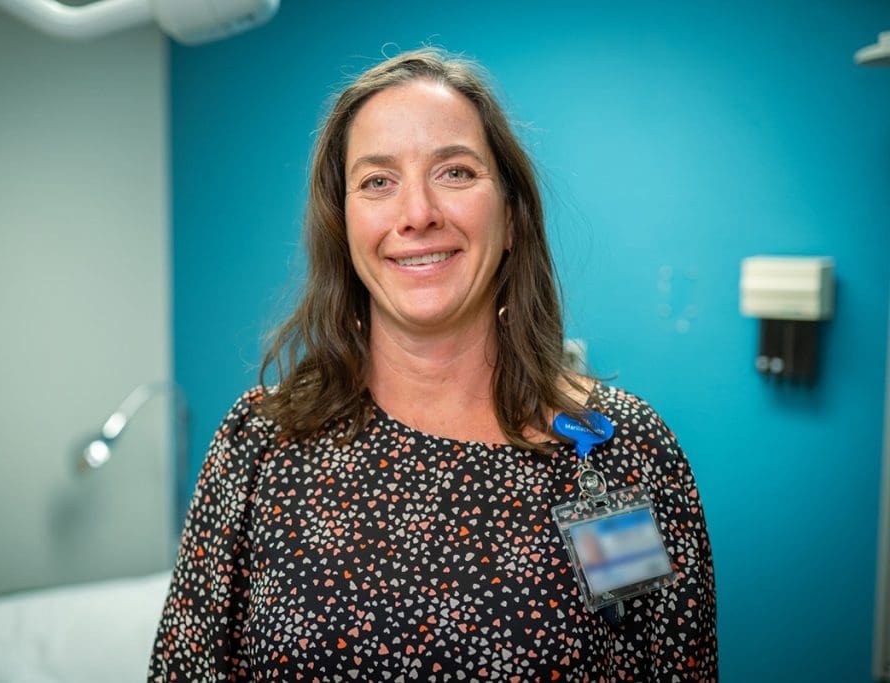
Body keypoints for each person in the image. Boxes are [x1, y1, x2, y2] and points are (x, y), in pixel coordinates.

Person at [149, 48, 717, 682]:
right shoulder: (261, 442)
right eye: (377, 181)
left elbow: (664, 667)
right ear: (343, 227)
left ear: (511, 219)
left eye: (454, 172)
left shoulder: (612, 456)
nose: (417, 214)